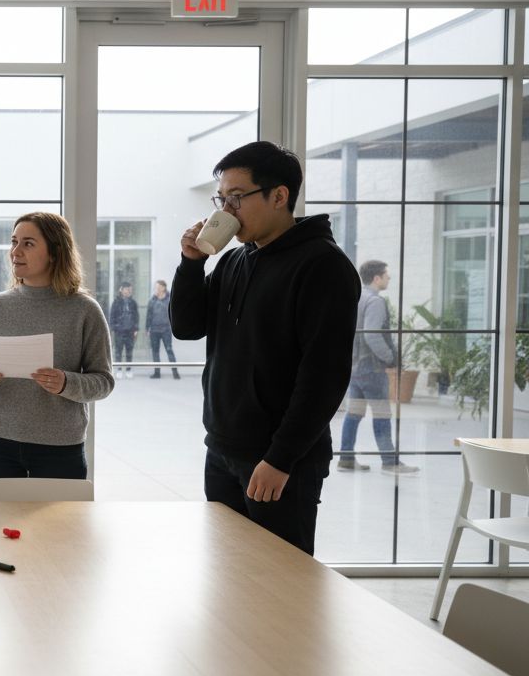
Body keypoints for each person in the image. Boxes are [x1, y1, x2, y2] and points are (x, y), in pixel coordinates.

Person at [170, 141, 360, 555]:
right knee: (228, 577)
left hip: (279, 462)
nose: (226, 211)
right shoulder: (234, 261)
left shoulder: (323, 266)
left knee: (280, 589)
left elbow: (324, 376)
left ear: (279, 196)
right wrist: (190, 262)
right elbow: (186, 328)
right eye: (222, 198)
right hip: (222, 449)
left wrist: (281, 459)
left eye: (237, 198)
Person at [0, 212, 115, 479]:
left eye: (28, 243)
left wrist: (65, 383)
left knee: (60, 522)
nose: (15, 252)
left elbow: (104, 382)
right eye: (14, 242)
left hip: (60, 447)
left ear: (55, 253)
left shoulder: (84, 310)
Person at [339, 260, 419, 475]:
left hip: (354, 367)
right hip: (371, 369)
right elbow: (373, 334)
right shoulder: (375, 301)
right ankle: (389, 462)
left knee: (353, 414)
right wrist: (390, 359)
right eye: (386, 275)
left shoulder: (357, 297)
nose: (388, 279)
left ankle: (345, 459)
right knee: (382, 414)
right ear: (376, 278)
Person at [146, 279, 179, 379]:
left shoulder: (170, 299)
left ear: (163, 288)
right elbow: (149, 316)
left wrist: (174, 327)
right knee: (155, 352)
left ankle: (175, 373)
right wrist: (147, 328)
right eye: (155, 287)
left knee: (169, 350)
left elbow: (174, 315)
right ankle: (157, 373)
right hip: (154, 330)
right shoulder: (152, 300)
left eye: (158, 287)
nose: (156, 289)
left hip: (166, 330)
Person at [108, 282, 138, 378]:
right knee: (118, 351)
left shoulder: (133, 303)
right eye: (127, 289)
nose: (129, 291)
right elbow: (112, 316)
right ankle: (119, 369)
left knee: (129, 351)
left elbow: (136, 316)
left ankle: (129, 369)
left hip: (130, 331)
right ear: (122, 290)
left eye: (130, 289)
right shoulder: (116, 302)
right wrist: (113, 328)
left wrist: (136, 328)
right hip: (119, 331)